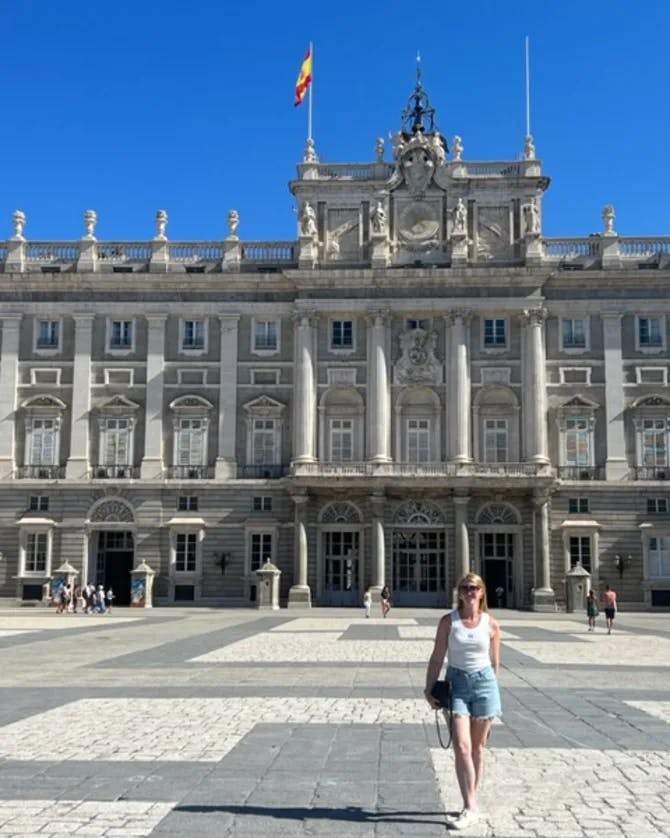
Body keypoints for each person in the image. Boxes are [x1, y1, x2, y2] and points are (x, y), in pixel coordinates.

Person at [424, 572, 502, 831]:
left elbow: (494, 663)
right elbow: (437, 657)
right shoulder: (448, 622)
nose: (470, 592)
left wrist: (493, 690)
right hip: (457, 684)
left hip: (484, 685)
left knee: (478, 748)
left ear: (482, 593)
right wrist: (429, 688)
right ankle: (469, 806)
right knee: (462, 747)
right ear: (459, 592)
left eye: (474, 588)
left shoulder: (492, 624)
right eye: (466, 587)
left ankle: (472, 802)